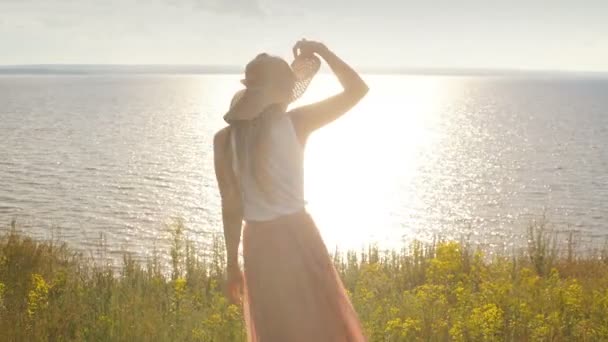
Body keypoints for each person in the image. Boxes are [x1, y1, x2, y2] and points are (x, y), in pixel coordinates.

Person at [213, 39, 369, 342]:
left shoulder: (223, 140)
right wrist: (323, 51)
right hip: (299, 236)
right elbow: (357, 89)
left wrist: (232, 264)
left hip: (259, 242)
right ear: (283, 93)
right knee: (323, 327)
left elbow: (231, 206)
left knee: (277, 331)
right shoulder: (297, 123)